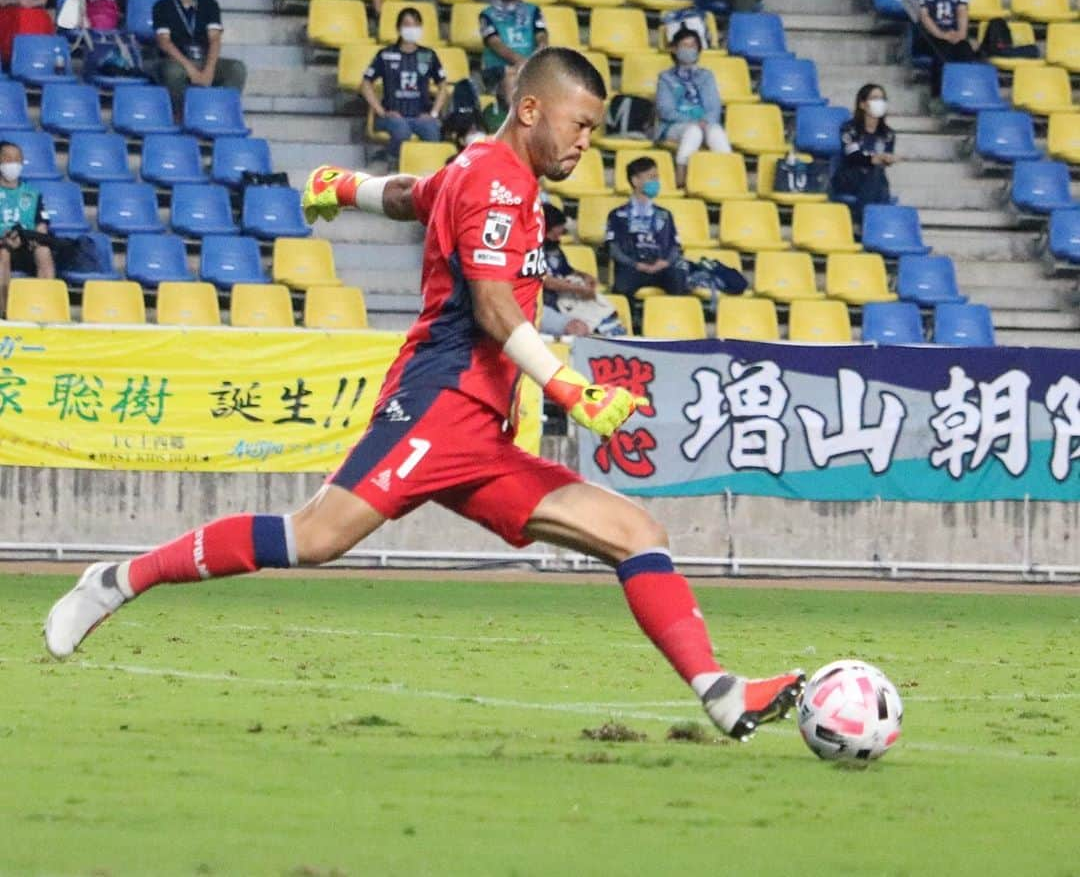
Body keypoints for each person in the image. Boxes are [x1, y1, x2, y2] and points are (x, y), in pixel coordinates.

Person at [44, 46, 804, 746]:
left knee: (635, 529)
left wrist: (346, 187)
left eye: (595, 131)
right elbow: (493, 306)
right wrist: (569, 385)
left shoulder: (484, 168)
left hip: (483, 430)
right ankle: (115, 580)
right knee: (313, 538)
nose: (585, 144)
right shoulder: (498, 180)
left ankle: (722, 692)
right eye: (580, 125)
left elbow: (415, 194)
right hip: (440, 403)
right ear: (532, 109)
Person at [152, 0, 247, 115]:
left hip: (204, 59)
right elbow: (164, 43)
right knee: (173, 72)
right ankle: (181, 115)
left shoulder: (209, 4)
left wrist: (209, 69)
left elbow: (215, 39)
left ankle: (222, 113)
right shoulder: (162, 6)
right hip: (177, 61)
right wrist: (190, 69)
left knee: (236, 69)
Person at [360, 7, 449, 163]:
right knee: (402, 130)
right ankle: (393, 162)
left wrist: (434, 113)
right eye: (407, 25)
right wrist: (381, 111)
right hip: (392, 115)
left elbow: (443, 86)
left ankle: (425, 173)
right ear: (398, 28)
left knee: (432, 130)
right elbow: (366, 83)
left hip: (420, 115)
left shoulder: (428, 55)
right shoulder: (385, 54)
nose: (412, 29)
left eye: (416, 25)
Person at [655, 27, 730, 188]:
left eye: (693, 46)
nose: (689, 50)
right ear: (675, 49)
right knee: (693, 132)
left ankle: (727, 175)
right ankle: (681, 175)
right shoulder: (665, 78)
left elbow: (714, 107)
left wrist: (705, 121)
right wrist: (693, 121)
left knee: (717, 132)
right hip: (675, 125)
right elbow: (666, 110)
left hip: (705, 122)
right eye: (685, 45)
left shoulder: (706, 76)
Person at [605, 156, 688, 298]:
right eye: (651, 177)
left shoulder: (665, 214)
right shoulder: (618, 215)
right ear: (635, 181)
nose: (656, 182)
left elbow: (675, 246)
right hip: (633, 267)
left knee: (679, 280)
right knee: (621, 287)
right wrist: (635, 264)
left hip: (661, 267)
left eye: (657, 177)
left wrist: (665, 262)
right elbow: (613, 249)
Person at [540, 202, 625, 339]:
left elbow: (566, 270)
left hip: (566, 294)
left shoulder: (554, 247)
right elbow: (546, 281)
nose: (561, 232)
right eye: (557, 228)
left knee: (597, 301)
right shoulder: (532, 249)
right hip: (549, 302)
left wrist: (585, 276)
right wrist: (577, 289)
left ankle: (608, 328)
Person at [0, 140, 55, 317]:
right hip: (3, 243)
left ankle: (42, 308)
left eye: (17, 159)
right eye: (8, 159)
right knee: (4, 253)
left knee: (44, 252)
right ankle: (5, 311)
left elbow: (41, 226)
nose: (13, 163)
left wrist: (34, 239)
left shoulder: (32, 193)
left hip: (26, 243)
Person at [917, 0, 978, 100]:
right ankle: (937, 96)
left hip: (954, 33)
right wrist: (941, 35)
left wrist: (961, 34)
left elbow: (962, 10)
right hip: (929, 36)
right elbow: (924, 16)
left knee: (965, 50)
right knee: (943, 52)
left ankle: (965, 93)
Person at [831, 83, 898, 219]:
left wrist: (888, 159)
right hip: (849, 176)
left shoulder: (888, 134)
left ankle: (863, 221)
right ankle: (870, 221)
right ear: (862, 104)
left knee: (877, 175)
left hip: (874, 177)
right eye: (874, 98)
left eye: (882, 99)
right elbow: (852, 156)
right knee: (877, 179)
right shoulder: (850, 129)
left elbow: (884, 158)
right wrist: (873, 159)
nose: (879, 102)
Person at [478, 0, 548, 92]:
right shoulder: (487, 14)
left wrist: (541, 48)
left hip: (529, 67)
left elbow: (541, 35)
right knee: (512, 77)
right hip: (498, 69)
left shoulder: (533, 10)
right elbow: (495, 43)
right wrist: (522, 62)